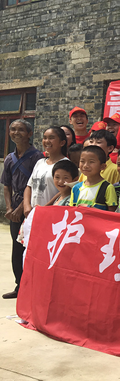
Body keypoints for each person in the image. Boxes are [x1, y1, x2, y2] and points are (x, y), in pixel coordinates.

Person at [1, 119, 44, 299]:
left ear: (29, 134)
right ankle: (19, 285)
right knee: (16, 247)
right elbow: (6, 185)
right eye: (13, 129)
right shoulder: (9, 158)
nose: (16, 132)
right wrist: (9, 208)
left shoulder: (38, 157)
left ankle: (32, 286)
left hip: (30, 207)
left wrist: (20, 208)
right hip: (15, 208)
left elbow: (34, 185)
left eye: (20, 129)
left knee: (32, 247)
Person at [23, 126, 69, 218]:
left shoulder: (65, 164)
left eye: (51, 138)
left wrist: (45, 208)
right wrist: (26, 205)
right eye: (45, 138)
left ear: (62, 143)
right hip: (32, 213)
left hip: (51, 214)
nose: (47, 141)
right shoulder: (40, 162)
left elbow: (65, 190)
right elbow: (29, 186)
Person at [70, 146, 118, 211]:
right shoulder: (76, 188)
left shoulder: (107, 187)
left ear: (102, 166)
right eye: (82, 161)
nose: (85, 165)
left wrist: (89, 208)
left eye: (91, 162)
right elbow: (71, 210)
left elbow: (112, 214)